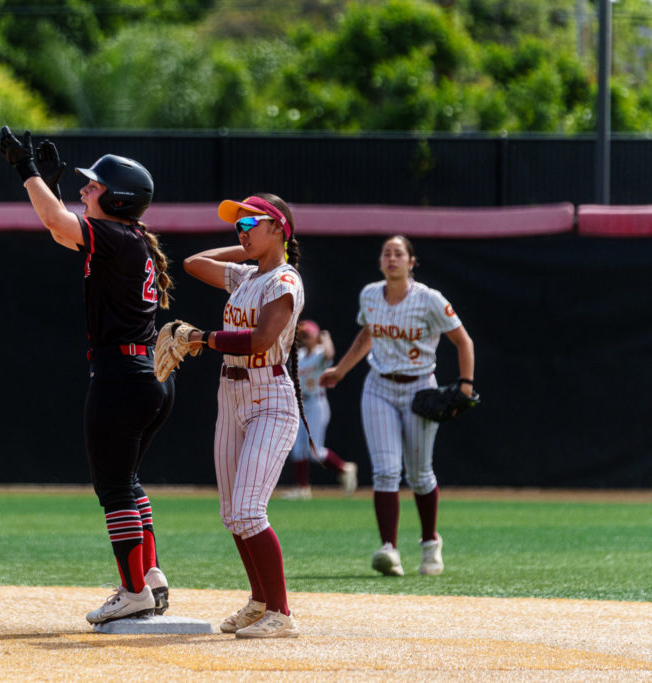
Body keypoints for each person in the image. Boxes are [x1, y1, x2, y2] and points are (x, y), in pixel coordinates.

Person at [0, 127, 175, 624]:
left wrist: (25, 170)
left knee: (114, 487)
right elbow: (59, 227)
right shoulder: (129, 237)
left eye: (94, 186)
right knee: (128, 481)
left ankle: (133, 588)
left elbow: (57, 219)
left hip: (123, 375)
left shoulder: (116, 236)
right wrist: (47, 185)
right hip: (150, 375)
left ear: (118, 198)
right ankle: (150, 576)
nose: (84, 189)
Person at [180, 193, 305, 639]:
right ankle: (259, 602)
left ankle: (282, 613)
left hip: (269, 396)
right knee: (233, 513)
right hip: (230, 393)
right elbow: (194, 262)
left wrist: (202, 337)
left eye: (251, 222)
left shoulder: (284, 280)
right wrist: (252, 247)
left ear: (278, 226)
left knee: (250, 510)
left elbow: (259, 340)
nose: (241, 229)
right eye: (239, 224)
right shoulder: (248, 275)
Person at [320, 235, 475, 577]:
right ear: (380, 262)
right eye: (386, 253)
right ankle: (389, 549)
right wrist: (341, 371)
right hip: (379, 387)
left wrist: (465, 386)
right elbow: (367, 335)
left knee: (419, 474)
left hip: (420, 388)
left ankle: (430, 543)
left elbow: (463, 340)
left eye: (398, 253)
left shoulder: (429, 299)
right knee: (386, 470)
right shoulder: (370, 294)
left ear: (411, 262)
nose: (392, 258)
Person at [283, 319, 358, 500]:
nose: (304, 338)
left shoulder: (320, 354)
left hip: (316, 403)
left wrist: (325, 337)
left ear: (316, 337)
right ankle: (302, 489)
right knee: (297, 448)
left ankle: (344, 468)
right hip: (300, 403)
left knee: (314, 450)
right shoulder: (298, 355)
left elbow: (330, 353)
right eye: (301, 335)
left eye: (307, 335)